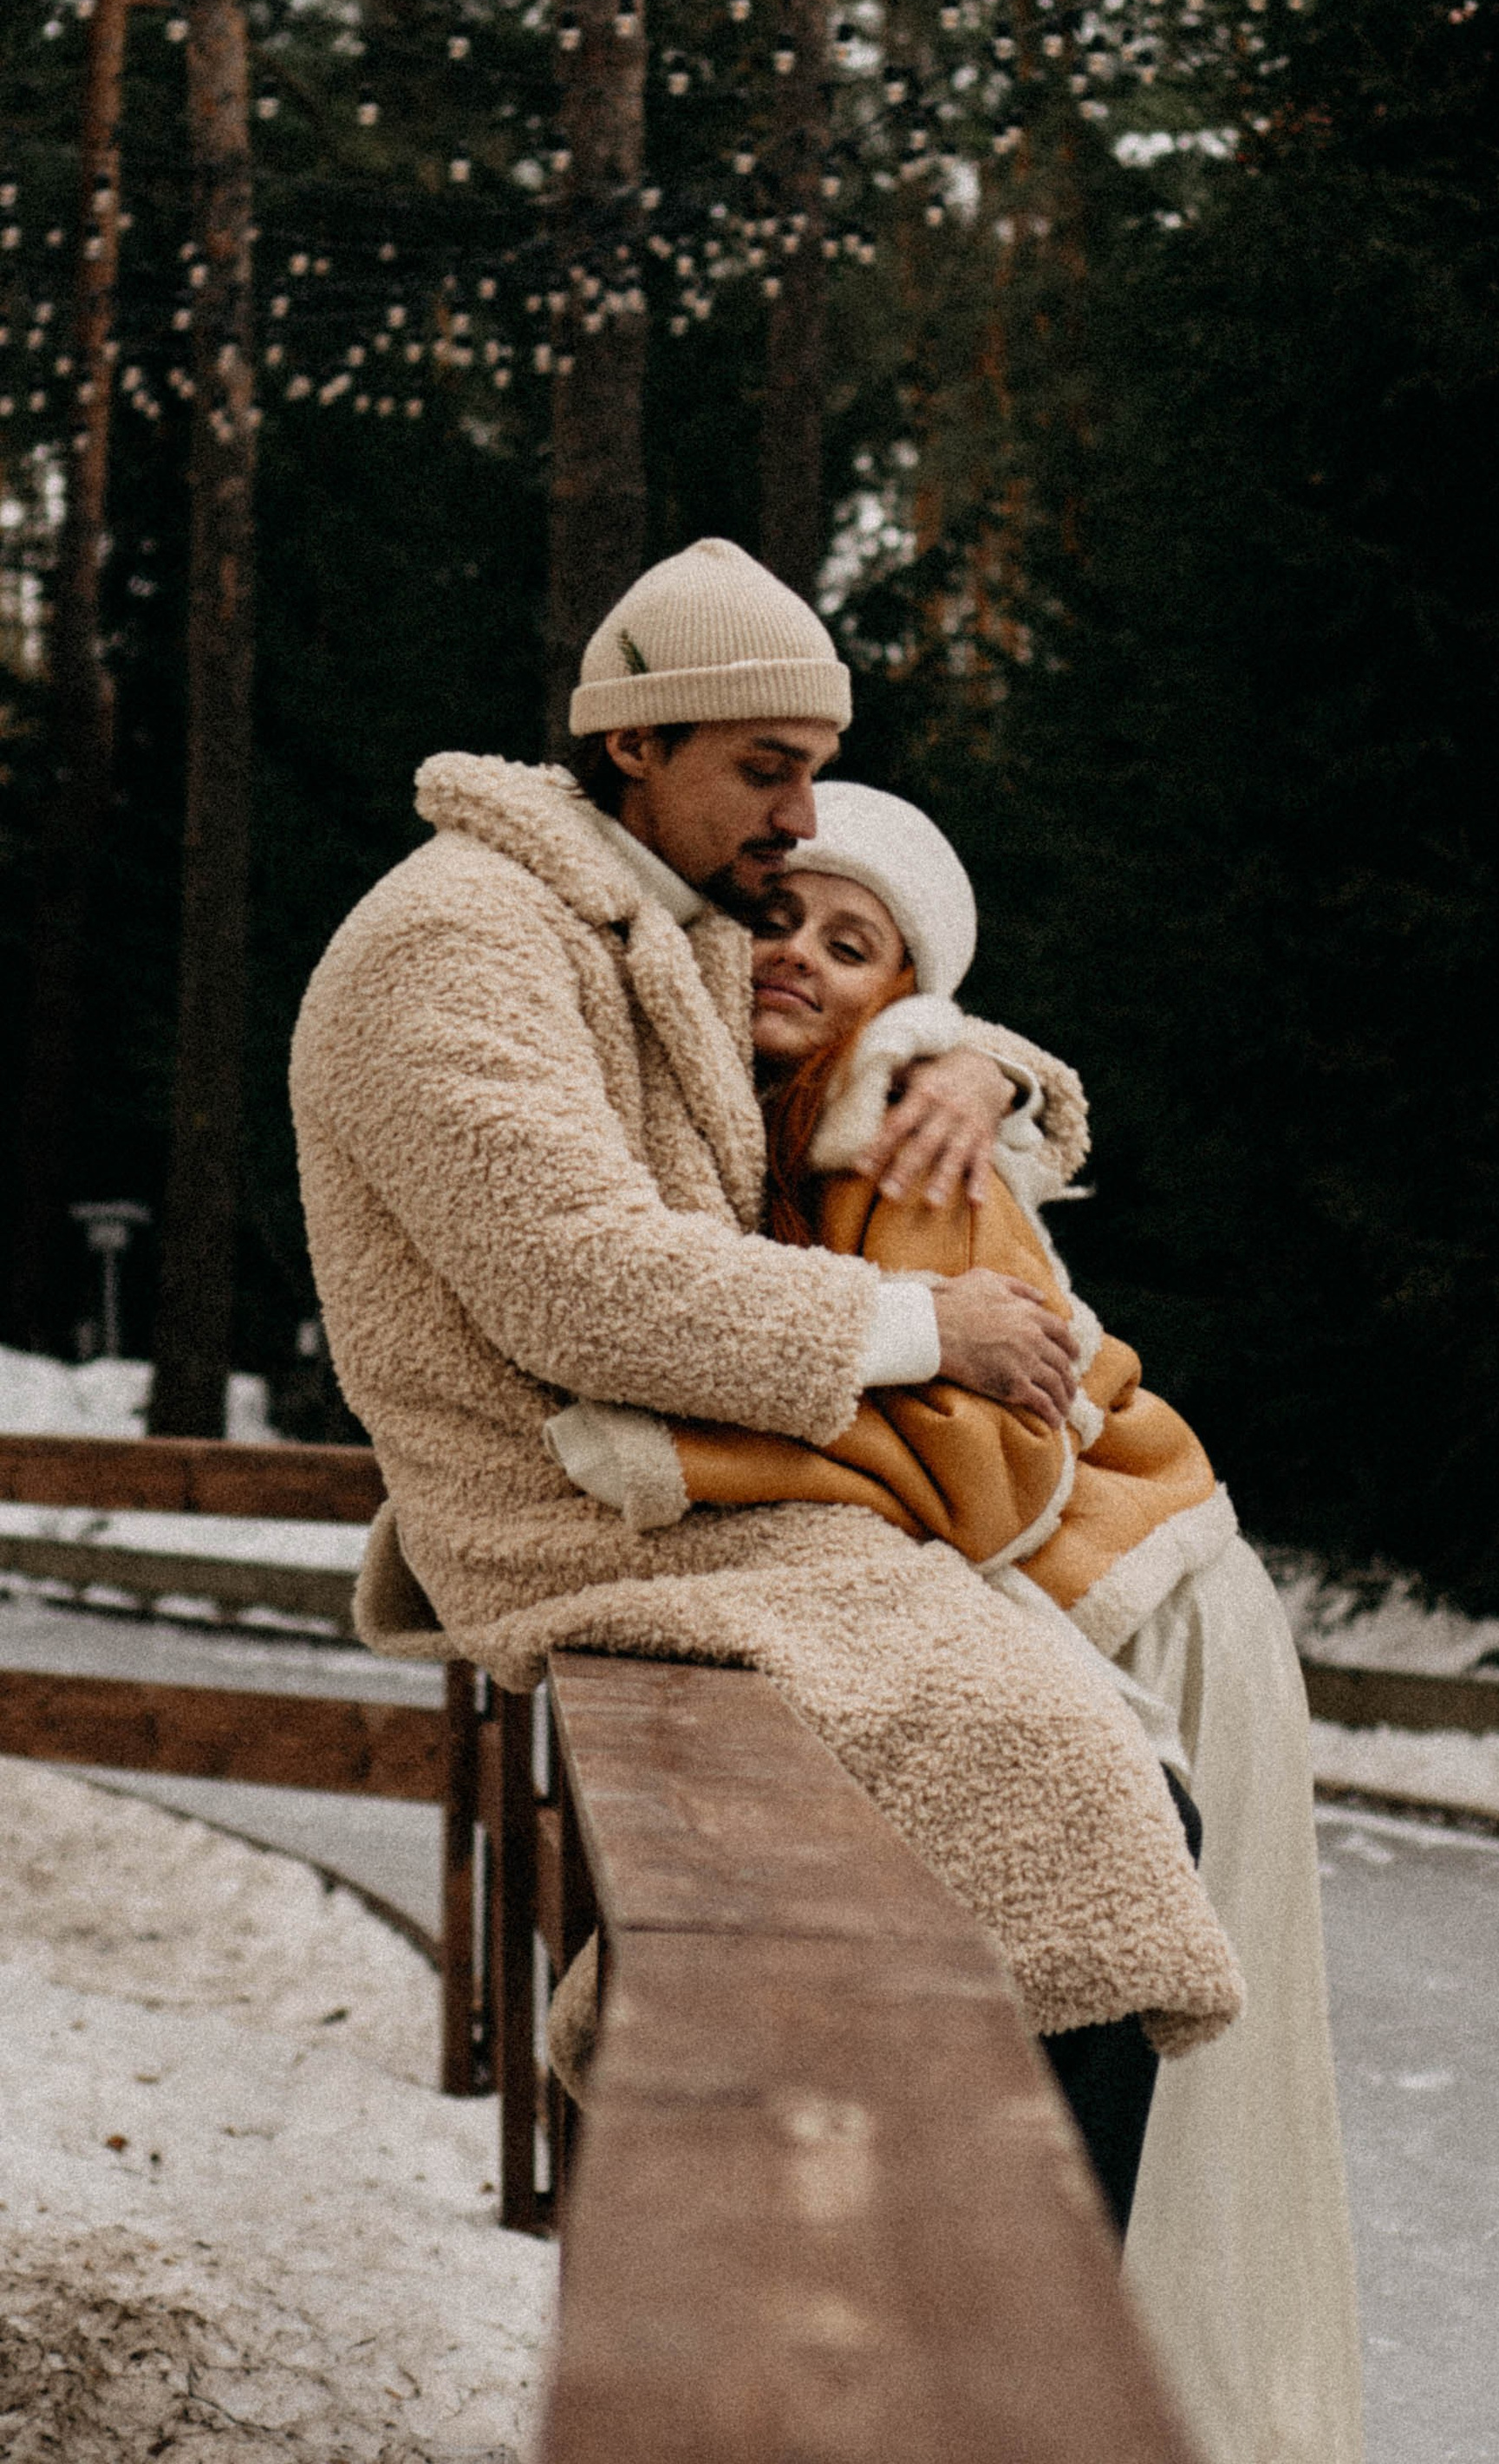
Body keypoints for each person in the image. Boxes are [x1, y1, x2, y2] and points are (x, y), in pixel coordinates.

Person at [290, 538, 1243, 2152]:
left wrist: (984, 1067)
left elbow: (857, 1013)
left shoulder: (644, 923)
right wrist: (924, 1324)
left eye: (815, 774)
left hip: (718, 1492)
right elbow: (576, 1282)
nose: (802, 819)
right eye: (769, 770)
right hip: (582, 1507)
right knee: (1099, 1819)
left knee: (1114, 1817)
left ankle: (965, 2313)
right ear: (633, 745)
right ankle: (995, 2347)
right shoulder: (457, 940)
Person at [548, 779, 1365, 2464]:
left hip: (1150, 1610)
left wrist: (668, 1453)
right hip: (1059, 1605)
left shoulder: (900, 1110)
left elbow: (984, 1469)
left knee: (1199, 2089)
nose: (796, 957)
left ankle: (1118, 2412)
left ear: (911, 994)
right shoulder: (758, 1111)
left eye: (852, 945)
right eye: (779, 916)